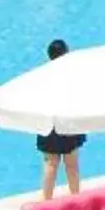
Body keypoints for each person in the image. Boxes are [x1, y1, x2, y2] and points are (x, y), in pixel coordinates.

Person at [33, 39, 84, 197]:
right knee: (72, 165)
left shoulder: (41, 76)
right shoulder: (72, 76)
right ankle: (76, 198)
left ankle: (46, 201)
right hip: (68, 123)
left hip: (48, 123)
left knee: (50, 164)